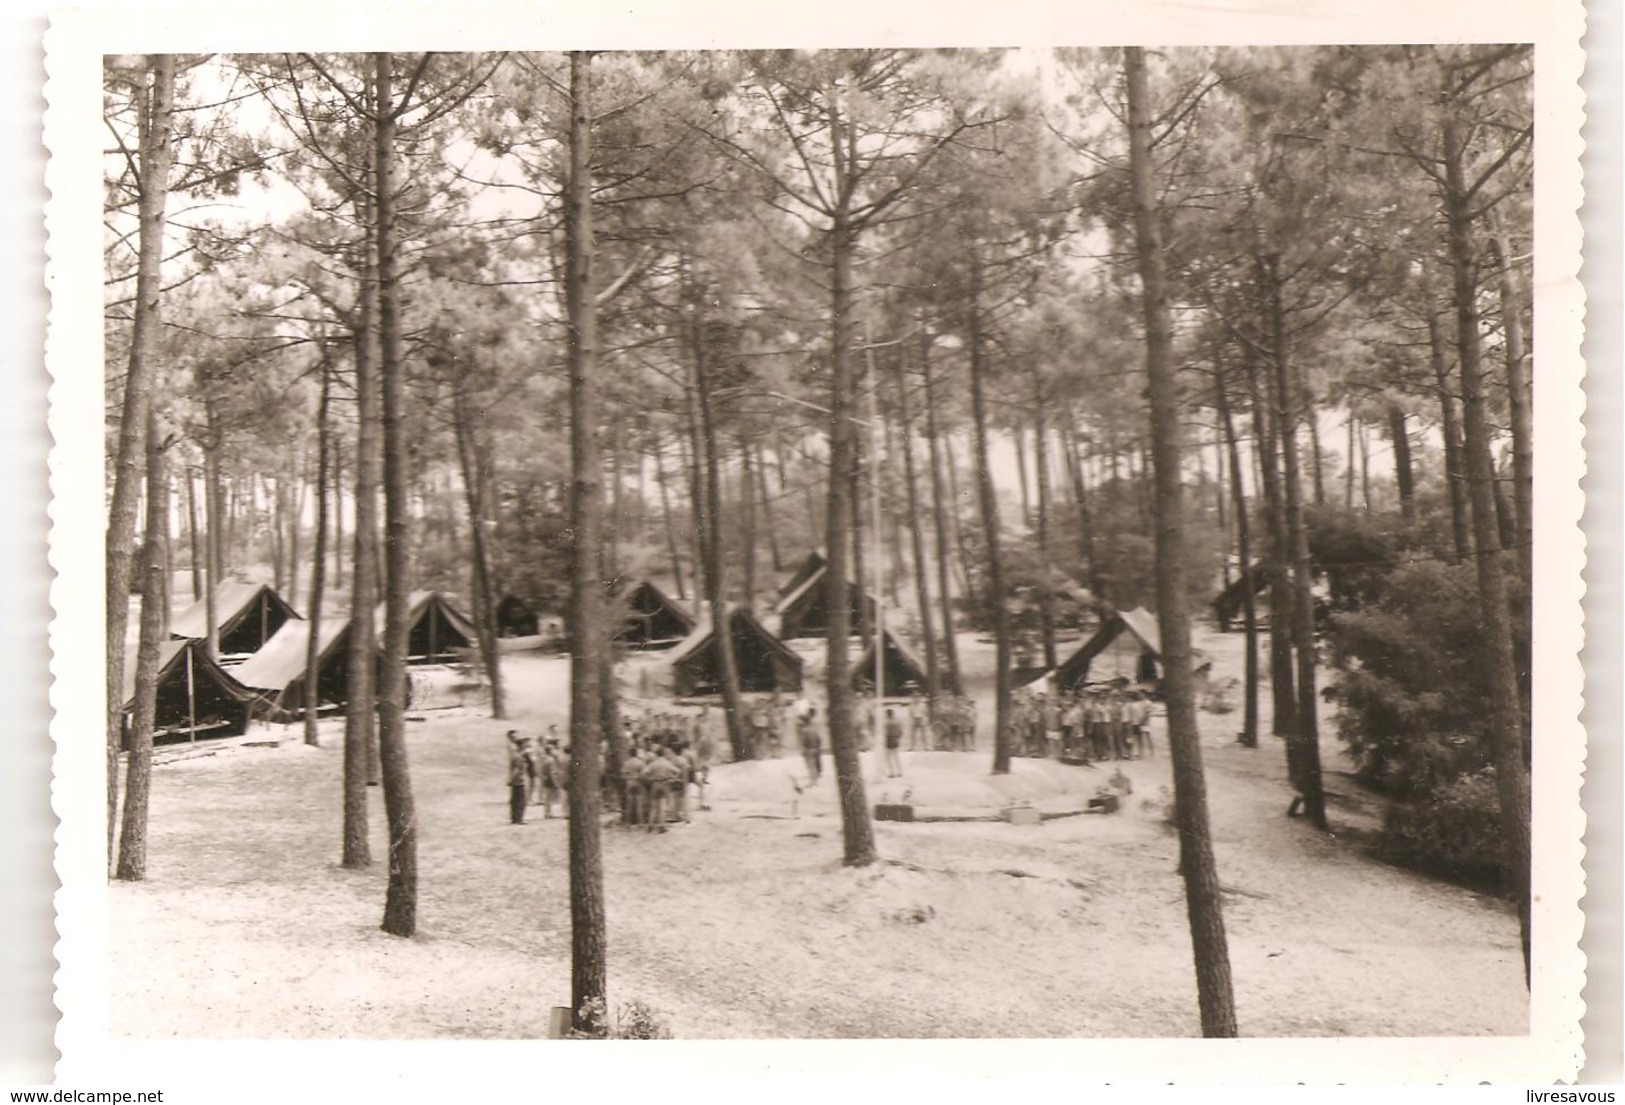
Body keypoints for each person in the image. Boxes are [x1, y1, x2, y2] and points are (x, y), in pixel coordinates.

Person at [505, 731, 530, 825]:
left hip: (516, 780)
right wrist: (511, 779)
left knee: (515, 800)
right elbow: (516, 769)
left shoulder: (516, 756)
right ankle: (519, 818)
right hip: (519, 780)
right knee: (520, 800)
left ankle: (514, 817)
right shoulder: (519, 757)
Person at [799, 707, 822, 784]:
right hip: (816, 747)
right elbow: (819, 738)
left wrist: (803, 750)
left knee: (810, 766)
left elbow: (803, 742)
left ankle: (813, 781)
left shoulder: (804, 730)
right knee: (815, 764)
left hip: (808, 749)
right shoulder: (815, 727)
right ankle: (816, 778)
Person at [883, 707, 904, 778]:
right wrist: (898, 737)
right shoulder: (897, 722)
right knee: (896, 757)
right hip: (895, 739)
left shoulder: (886, 723)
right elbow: (901, 732)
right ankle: (899, 771)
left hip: (889, 739)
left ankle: (891, 772)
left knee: (888, 758)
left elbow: (885, 733)